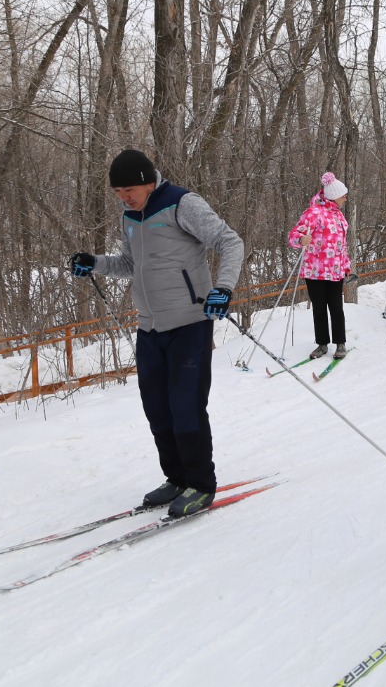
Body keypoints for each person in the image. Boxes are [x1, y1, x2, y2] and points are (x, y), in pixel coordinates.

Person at [70, 149, 244, 517]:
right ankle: (177, 478)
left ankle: (200, 484)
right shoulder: (130, 216)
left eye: (129, 188)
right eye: (118, 191)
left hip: (189, 323)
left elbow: (230, 242)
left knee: (186, 407)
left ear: (149, 180)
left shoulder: (182, 204)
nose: (124, 196)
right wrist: (95, 263)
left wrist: (223, 289)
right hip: (149, 326)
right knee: (157, 409)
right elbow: (130, 265)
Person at [289, 172, 352, 358]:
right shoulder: (313, 213)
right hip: (315, 270)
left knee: (336, 307)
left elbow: (343, 244)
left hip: (335, 270)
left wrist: (346, 265)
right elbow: (293, 235)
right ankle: (322, 344)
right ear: (333, 196)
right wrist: (301, 239)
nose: (345, 198)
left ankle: (340, 343)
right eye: (343, 195)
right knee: (319, 307)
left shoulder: (339, 215)